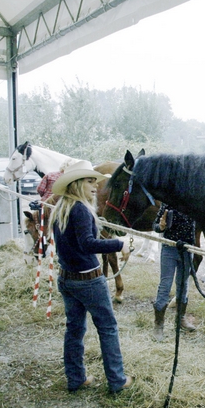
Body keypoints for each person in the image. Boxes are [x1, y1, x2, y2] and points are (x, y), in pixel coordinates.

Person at [50, 160, 134, 393]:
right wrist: (120, 243)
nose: (96, 185)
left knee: (74, 329)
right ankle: (117, 380)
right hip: (88, 281)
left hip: (67, 279)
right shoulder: (81, 210)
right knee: (107, 327)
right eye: (90, 181)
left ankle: (76, 378)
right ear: (76, 184)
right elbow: (87, 244)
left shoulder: (62, 208)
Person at [152, 203, 196, 341]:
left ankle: (180, 319)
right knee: (165, 285)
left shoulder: (194, 203)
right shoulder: (168, 204)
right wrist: (161, 226)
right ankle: (158, 324)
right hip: (169, 248)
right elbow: (155, 226)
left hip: (187, 250)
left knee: (183, 285)